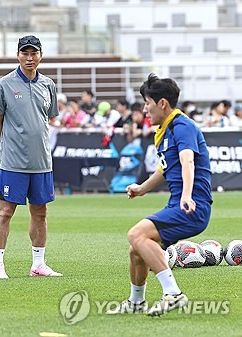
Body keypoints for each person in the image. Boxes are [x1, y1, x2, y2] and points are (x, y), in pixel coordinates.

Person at [107, 73, 212, 316]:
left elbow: (188, 161)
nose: (144, 109)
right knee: (137, 249)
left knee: (136, 234)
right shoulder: (165, 130)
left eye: (147, 103)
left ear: (162, 103)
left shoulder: (181, 125)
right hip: (181, 203)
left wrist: (187, 195)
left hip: (191, 206)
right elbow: (167, 168)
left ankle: (173, 293)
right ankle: (136, 303)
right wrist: (142, 188)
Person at [0, 35, 62, 279]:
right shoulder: (3, 85)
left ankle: (38, 264)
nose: (29, 58)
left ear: (40, 55)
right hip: (13, 161)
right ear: (18, 55)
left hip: (42, 161)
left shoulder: (48, 85)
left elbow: (48, 118)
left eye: (34, 53)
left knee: (40, 212)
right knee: (5, 211)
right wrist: (8, 146)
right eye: (25, 53)